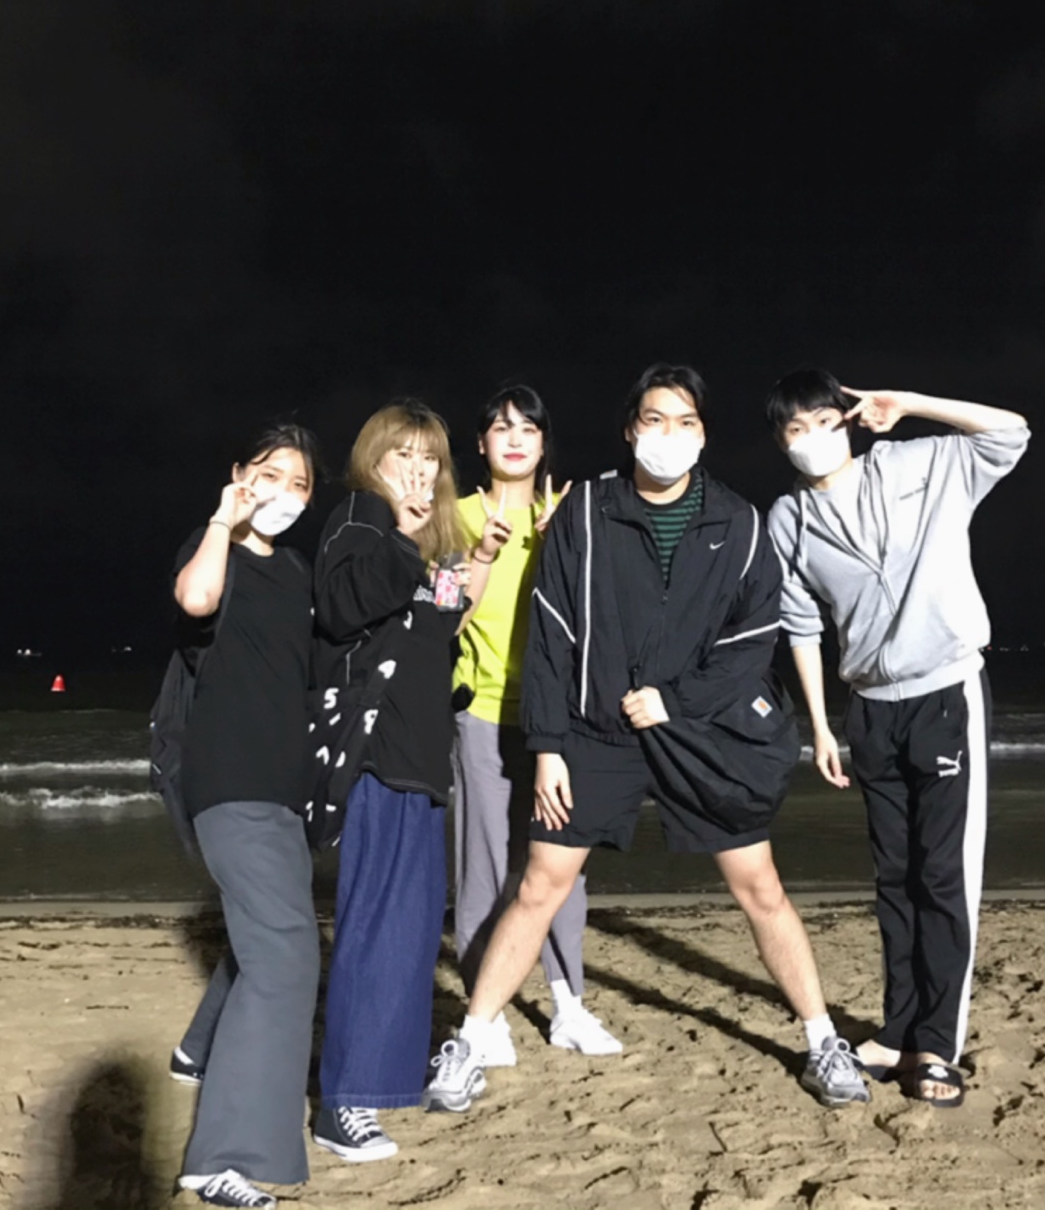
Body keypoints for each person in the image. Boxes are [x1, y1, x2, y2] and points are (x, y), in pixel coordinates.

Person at [422, 364, 870, 1115]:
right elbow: (554, 634)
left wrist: (676, 700)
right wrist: (550, 746)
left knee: (761, 888)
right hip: (598, 732)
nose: (670, 435)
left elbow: (752, 637)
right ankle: (469, 1042)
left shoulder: (737, 520)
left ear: (704, 434)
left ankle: (823, 1040)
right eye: (655, 420)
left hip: (699, 731)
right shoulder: (584, 511)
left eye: (686, 422)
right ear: (631, 430)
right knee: (539, 884)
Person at [763, 371, 1029, 1109]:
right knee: (894, 881)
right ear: (781, 442)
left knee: (943, 877)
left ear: (847, 421)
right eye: (795, 429)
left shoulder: (919, 465)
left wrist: (910, 404)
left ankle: (938, 1045)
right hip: (870, 712)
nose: (812, 439)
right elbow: (802, 625)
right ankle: (899, 1029)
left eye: (823, 421)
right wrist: (821, 724)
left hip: (945, 695)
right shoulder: (788, 518)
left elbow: (1011, 431)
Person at [309, 399, 505, 1163]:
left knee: (413, 931)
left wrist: (474, 556)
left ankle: (383, 1074)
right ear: (374, 461)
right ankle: (344, 1102)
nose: (419, 472)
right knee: (378, 926)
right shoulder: (361, 517)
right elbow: (342, 605)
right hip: (378, 753)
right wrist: (403, 532)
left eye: (431, 459)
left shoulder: (424, 542)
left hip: (421, 757)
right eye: (404, 456)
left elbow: (445, 625)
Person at [170, 425, 321, 1210]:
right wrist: (222, 521)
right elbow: (195, 601)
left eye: (300, 483)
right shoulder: (215, 549)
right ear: (239, 474)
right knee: (287, 959)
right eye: (270, 473)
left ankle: (196, 1052)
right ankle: (218, 1159)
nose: (284, 493)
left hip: (284, 792)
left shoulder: (296, 571)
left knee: (266, 938)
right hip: (229, 784)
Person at [452, 385, 621, 1064]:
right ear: (481, 444)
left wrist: (562, 549)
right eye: (501, 428)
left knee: (560, 868)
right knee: (486, 868)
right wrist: (483, 554)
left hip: (561, 719)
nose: (515, 438)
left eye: (528, 428)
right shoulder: (456, 517)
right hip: (484, 712)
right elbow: (444, 620)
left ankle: (568, 1004)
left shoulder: (573, 516)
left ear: (545, 442)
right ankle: (485, 1013)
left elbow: (602, 620)